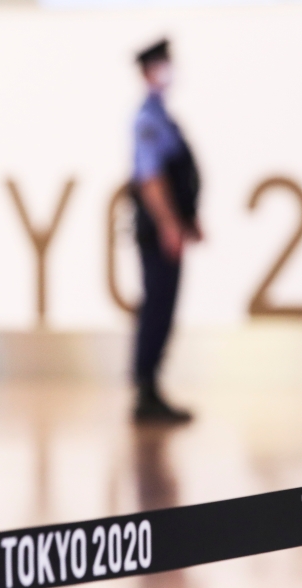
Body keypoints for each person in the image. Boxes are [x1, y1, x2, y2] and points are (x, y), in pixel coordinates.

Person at [129, 38, 201, 423]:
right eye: (161, 64)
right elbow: (152, 179)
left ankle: (152, 386)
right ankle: (145, 390)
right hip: (157, 232)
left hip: (167, 229)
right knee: (156, 308)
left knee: (164, 307)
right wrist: (170, 224)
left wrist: (188, 219)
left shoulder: (162, 115)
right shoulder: (148, 119)